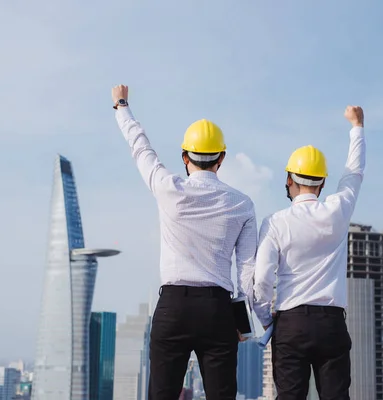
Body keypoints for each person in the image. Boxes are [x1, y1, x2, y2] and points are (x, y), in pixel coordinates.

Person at [111, 85, 257, 400]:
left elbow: (141, 148)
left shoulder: (168, 188)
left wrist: (122, 106)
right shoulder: (242, 204)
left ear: (184, 157)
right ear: (222, 158)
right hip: (217, 310)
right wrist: (241, 322)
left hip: (173, 308)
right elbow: (247, 268)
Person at [252, 105, 366, 399]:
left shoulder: (275, 222)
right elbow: (354, 173)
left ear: (290, 179)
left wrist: (267, 318)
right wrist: (357, 127)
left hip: (291, 324)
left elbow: (262, 279)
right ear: (323, 182)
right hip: (331, 324)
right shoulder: (338, 211)